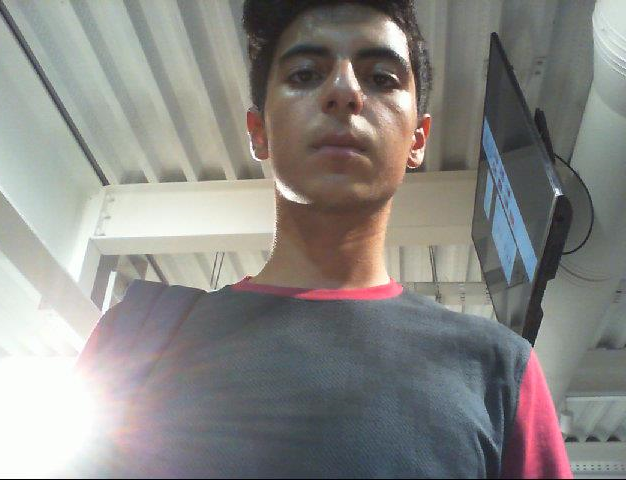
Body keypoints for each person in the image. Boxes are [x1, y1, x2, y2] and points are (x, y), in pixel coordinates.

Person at [72, 1, 573, 477]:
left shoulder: (497, 370)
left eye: (382, 79)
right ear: (259, 131)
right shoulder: (136, 339)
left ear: (417, 139)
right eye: (305, 75)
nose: (344, 91)